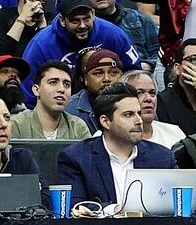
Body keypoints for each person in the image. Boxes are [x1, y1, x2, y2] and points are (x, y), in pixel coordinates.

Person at [57, 85, 177, 214]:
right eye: (128, 114)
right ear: (106, 121)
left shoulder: (162, 157)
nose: (138, 121)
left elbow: (176, 205)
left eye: (139, 113)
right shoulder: (76, 158)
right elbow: (74, 206)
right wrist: (114, 210)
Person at [9, 59, 91, 141]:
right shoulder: (16, 125)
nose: (61, 89)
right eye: (53, 82)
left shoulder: (78, 127)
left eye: (66, 84)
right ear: (36, 90)